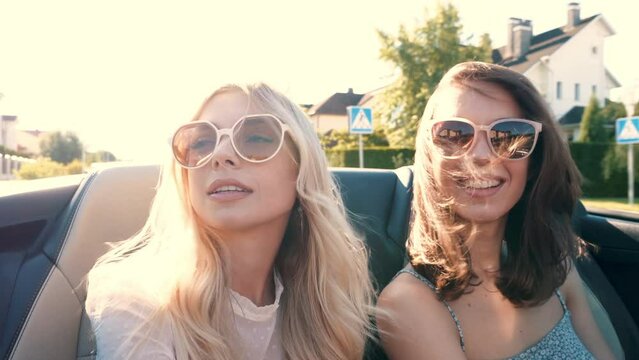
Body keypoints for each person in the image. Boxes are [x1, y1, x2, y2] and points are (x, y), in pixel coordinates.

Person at [85, 83, 374, 360]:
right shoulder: (139, 299)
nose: (220, 155)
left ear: (301, 166)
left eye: (256, 138)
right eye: (200, 143)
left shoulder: (326, 306)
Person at [377, 62, 616, 359]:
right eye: (454, 133)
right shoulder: (408, 303)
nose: (479, 155)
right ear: (429, 155)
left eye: (508, 135)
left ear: (535, 161)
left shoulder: (556, 266)